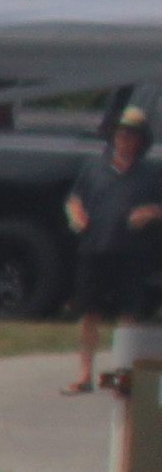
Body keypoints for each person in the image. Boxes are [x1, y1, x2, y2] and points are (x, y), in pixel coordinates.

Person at [67, 94, 162, 395]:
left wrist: (150, 213)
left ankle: (125, 374)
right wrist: (76, 215)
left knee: (129, 314)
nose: (125, 140)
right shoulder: (94, 167)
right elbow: (74, 199)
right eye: (121, 134)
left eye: (131, 135)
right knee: (89, 313)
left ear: (141, 140)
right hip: (94, 250)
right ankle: (84, 375)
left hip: (133, 254)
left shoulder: (152, 172)